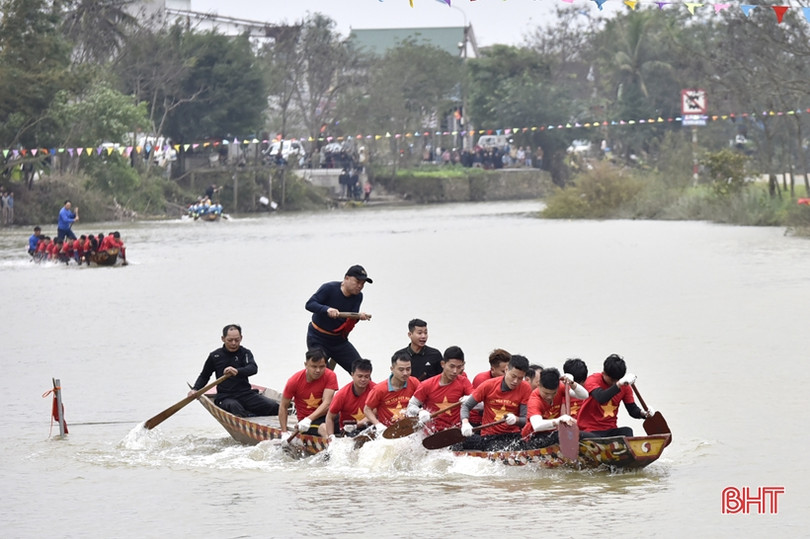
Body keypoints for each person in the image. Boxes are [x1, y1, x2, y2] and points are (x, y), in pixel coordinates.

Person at [189, 324, 280, 417]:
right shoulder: (215, 356)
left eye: (237, 340)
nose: (233, 343)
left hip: (246, 394)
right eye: (230, 340)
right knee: (235, 407)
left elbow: (253, 368)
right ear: (223, 339)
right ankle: (247, 417)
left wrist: (237, 371)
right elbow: (204, 375)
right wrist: (195, 389)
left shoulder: (245, 353)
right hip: (225, 397)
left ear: (241, 338)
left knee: (274, 407)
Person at [305, 265, 373, 373]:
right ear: (346, 278)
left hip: (338, 340)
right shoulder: (329, 288)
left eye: (363, 284)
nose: (360, 286)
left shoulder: (358, 296)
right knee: (321, 372)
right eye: (357, 282)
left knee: (361, 370)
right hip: (318, 338)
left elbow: (349, 321)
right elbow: (309, 304)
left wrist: (359, 317)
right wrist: (326, 309)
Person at [459, 354, 532, 450]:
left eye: (520, 378)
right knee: (460, 441)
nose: (515, 381)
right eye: (513, 376)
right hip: (489, 436)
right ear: (506, 370)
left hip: (512, 435)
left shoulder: (526, 388)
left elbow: (525, 419)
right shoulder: (488, 385)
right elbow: (466, 406)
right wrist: (465, 423)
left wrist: (516, 420)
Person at [577, 354, 651, 438]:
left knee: (627, 431)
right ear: (604, 373)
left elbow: (632, 409)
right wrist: (619, 384)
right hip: (590, 430)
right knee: (590, 437)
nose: (614, 383)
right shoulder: (593, 380)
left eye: (617, 380)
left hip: (610, 430)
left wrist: (643, 414)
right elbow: (601, 398)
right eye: (612, 380)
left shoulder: (625, 386)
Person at [406, 345, 473, 432]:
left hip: (455, 432)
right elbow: (410, 406)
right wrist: (420, 412)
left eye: (459, 367)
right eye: (452, 366)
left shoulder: (464, 382)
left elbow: (480, 403)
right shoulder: (427, 385)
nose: (455, 371)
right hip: (432, 434)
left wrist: (471, 400)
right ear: (443, 364)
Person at [521, 367, 588, 447]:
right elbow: (537, 426)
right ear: (538, 385)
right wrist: (559, 420)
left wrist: (571, 383)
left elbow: (584, 395)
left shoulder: (560, 387)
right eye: (546, 393)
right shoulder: (534, 400)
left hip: (552, 433)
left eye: (553, 393)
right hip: (533, 437)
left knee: (585, 436)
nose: (549, 397)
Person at [279, 348, 338, 436]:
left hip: (327, 416)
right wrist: (284, 432)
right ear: (306, 365)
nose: (318, 370)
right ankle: (331, 444)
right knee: (323, 428)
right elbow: (283, 406)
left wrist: (309, 418)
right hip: (306, 423)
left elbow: (327, 403)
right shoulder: (294, 381)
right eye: (314, 366)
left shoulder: (330, 375)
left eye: (322, 367)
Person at [363, 351, 420, 432]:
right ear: (392, 369)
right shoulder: (379, 389)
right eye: (401, 370)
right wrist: (378, 424)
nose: (405, 373)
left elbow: (425, 399)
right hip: (388, 432)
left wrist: (422, 412)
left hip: (409, 429)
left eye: (408, 369)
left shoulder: (414, 382)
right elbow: (367, 409)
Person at [321, 358, 376, 438]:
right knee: (324, 427)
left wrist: (357, 425)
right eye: (360, 376)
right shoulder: (342, 394)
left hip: (370, 426)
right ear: (352, 374)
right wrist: (331, 437)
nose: (363, 380)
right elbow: (330, 417)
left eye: (366, 377)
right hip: (348, 430)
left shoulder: (376, 390)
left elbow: (376, 413)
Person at [469, 348, 511, 425]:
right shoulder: (481, 379)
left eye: (508, 371)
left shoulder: (511, 381)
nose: (507, 375)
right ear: (492, 369)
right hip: (477, 421)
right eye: (503, 371)